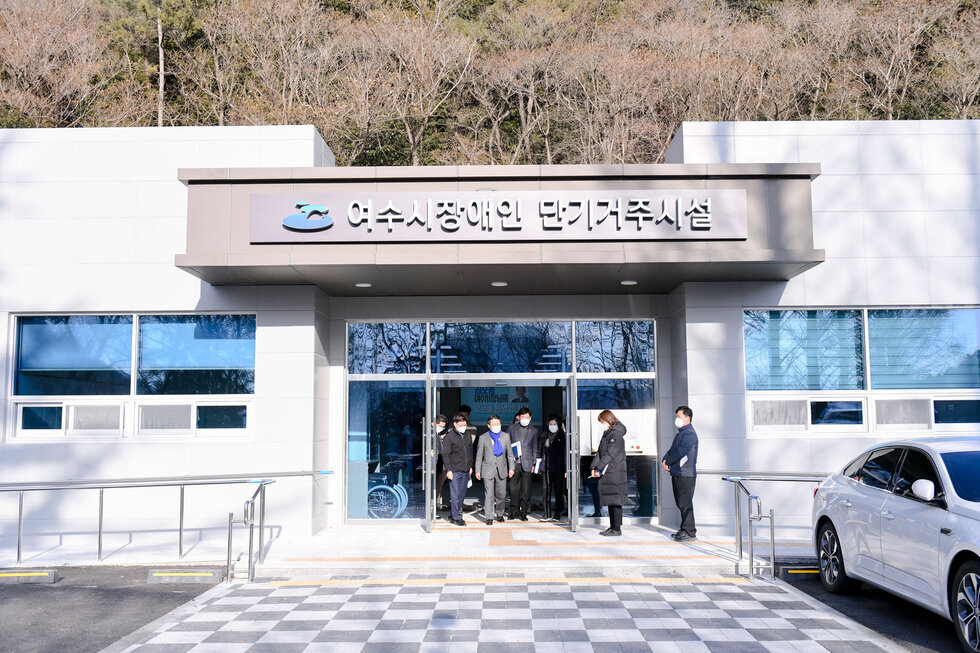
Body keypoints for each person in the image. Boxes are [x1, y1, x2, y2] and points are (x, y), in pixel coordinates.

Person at [662, 405, 699, 541]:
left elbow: (681, 451)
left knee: (685, 503)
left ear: (687, 419)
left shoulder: (689, 434)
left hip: (685, 473)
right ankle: (684, 529)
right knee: (681, 503)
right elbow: (672, 450)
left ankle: (690, 532)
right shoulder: (681, 434)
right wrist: (665, 459)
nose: (676, 419)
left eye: (679, 417)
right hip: (678, 472)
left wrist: (669, 461)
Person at [590, 409, 627, 536]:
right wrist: (594, 467)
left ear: (608, 420)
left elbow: (610, 454)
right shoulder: (607, 434)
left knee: (616, 501)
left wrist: (599, 468)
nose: (602, 424)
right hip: (609, 472)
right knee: (611, 500)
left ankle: (616, 529)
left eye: (602, 422)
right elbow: (600, 453)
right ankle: (612, 527)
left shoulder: (616, 435)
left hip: (615, 472)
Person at [474, 415, 516, 525]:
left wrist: (511, 468)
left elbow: (510, 454)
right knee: (489, 494)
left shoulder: (505, 436)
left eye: (498, 424)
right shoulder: (483, 438)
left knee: (501, 494)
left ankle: (500, 513)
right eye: (494, 424)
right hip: (487, 469)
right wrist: (477, 470)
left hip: (502, 469)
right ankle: (489, 516)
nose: (497, 426)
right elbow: (479, 456)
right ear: (489, 425)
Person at [506, 406, 539, 520]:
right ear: (519, 417)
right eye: (522, 416)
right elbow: (507, 445)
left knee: (526, 489)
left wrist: (534, 464)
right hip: (514, 463)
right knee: (513, 489)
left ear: (530, 418)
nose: (524, 419)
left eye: (527, 417)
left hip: (527, 463)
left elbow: (535, 448)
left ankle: (524, 512)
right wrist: (510, 458)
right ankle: (514, 511)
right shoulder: (511, 428)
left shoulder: (534, 430)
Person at [442, 413, 474, 526]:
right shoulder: (449, 437)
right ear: (455, 424)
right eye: (461, 425)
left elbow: (470, 452)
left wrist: (470, 466)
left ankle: (453, 513)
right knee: (455, 495)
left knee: (462, 494)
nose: (463, 427)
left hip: (465, 469)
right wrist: (449, 470)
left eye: (464, 424)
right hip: (454, 470)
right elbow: (445, 454)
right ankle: (457, 517)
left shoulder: (468, 435)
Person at [540, 414, 567, 521]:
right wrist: (539, 466)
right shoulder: (544, 435)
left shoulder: (562, 435)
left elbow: (565, 453)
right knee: (546, 491)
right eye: (550, 424)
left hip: (559, 468)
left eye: (554, 424)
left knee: (558, 491)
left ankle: (557, 513)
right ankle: (546, 514)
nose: (552, 426)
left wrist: (566, 469)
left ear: (558, 424)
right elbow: (539, 451)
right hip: (546, 468)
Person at [433, 414, 449, 511]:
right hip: (434, 465)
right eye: (440, 426)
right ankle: (432, 509)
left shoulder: (438, 435)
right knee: (434, 488)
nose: (441, 428)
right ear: (433, 423)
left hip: (440, 465)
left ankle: (434, 508)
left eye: (443, 427)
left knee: (438, 487)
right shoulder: (429, 434)